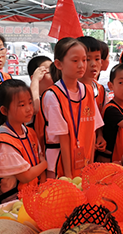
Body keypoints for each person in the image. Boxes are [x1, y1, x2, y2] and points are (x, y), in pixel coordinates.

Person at [40, 38, 106, 178]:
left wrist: (91, 166)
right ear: (59, 64)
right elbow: (63, 138)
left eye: (84, 60)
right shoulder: (53, 95)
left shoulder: (87, 91)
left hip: (85, 162)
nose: (82, 65)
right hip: (60, 165)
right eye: (75, 61)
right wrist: (69, 176)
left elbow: (92, 131)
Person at [0, 80, 47, 202]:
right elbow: (26, 176)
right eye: (22, 105)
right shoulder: (4, 141)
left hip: (33, 197)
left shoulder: (29, 132)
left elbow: (38, 161)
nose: (29, 109)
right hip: (13, 203)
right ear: (4, 110)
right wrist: (45, 164)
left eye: (30, 103)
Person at [78, 36, 106, 113]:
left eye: (97, 59)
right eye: (87, 59)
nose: (93, 64)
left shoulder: (100, 90)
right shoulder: (71, 90)